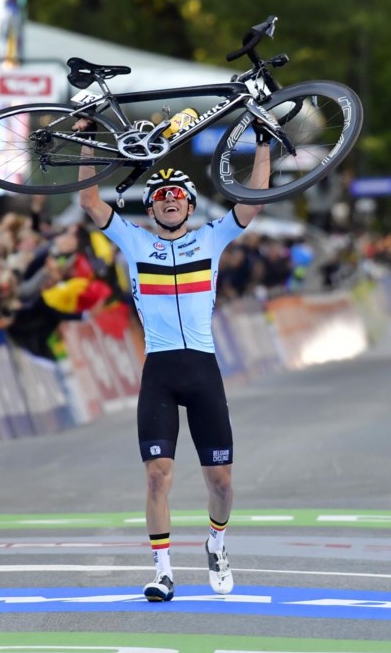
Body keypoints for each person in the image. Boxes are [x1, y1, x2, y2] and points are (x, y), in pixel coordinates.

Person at [75, 118, 269, 602]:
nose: (168, 200)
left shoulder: (211, 238)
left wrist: (263, 142)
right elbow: (88, 201)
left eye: (176, 195)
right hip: (160, 370)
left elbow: (253, 200)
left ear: (188, 204)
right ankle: (162, 571)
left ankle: (217, 544)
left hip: (203, 370)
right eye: (159, 196)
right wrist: (86, 140)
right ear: (152, 206)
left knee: (220, 483)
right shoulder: (135, 241)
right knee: (158, 474)